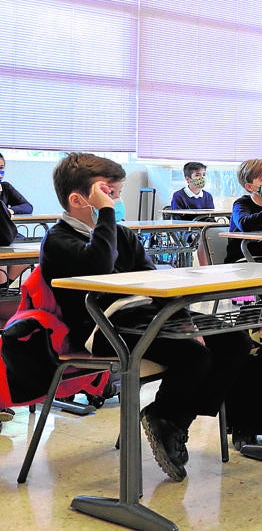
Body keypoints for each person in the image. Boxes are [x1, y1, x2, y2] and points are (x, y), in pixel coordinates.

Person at [39, 153, 249, 481]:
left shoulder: (120, 234)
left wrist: (182, 318)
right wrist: (107, 215)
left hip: (144, 318)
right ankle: (167, 416)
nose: (116, 203)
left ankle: (172, 419)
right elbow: (98, 267)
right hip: (101, 328)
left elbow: (153, 281)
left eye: (117, 195)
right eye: (109, 195)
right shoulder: (58, 240)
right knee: (193, 356)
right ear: (79, 199)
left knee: (233, 340)